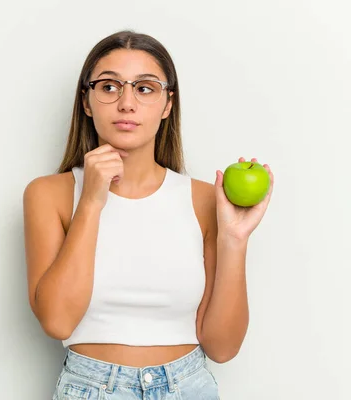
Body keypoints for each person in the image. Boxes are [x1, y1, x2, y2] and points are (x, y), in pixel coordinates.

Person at [22, 30, 274, 400]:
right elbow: (57, 321)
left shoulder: (204, 199)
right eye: (109, 87)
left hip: (189, 386)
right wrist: (91, 201)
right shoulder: (49, 194)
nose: (126, 103)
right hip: (90, 388)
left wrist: (234, 239)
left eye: (144, 88)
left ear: (168, 103)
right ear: (87, 102)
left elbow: (222, 347)